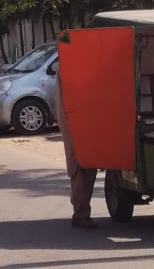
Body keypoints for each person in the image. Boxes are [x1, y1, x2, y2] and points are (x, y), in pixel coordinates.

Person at [54, 61, 99, 228]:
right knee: (79, 166)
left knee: (88, 164)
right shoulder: (68, 63)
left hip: (83, 117)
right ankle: (80, 213)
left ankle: (82, 210)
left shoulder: (76, 60)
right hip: (73, 118)